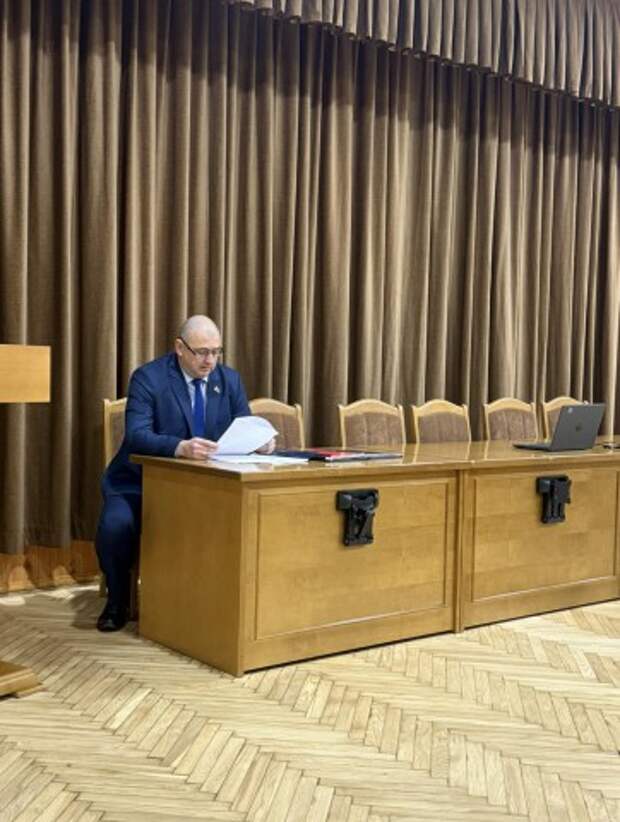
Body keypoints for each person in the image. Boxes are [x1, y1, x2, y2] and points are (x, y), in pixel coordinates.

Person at [95, 315, 264, 631]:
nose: (210, 360)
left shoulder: (228, 380)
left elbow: (245, 427)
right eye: (201, 352)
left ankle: (214, 603)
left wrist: (260, 442)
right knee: (116, 525)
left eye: (216, 351)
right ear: (179, 348)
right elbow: (137, 435)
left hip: (204, 486)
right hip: (138, 483)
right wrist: (179, 447)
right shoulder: (149, 378)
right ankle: (117, 601)